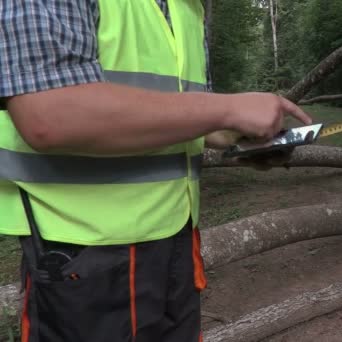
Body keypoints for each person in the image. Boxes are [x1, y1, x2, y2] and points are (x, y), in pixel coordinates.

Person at [0, 1, 312, 341]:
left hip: (177, 239)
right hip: (82, 250)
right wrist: (225, 109)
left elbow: (173, 110)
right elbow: (49, 113)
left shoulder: (187, 7)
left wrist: (231, 135)